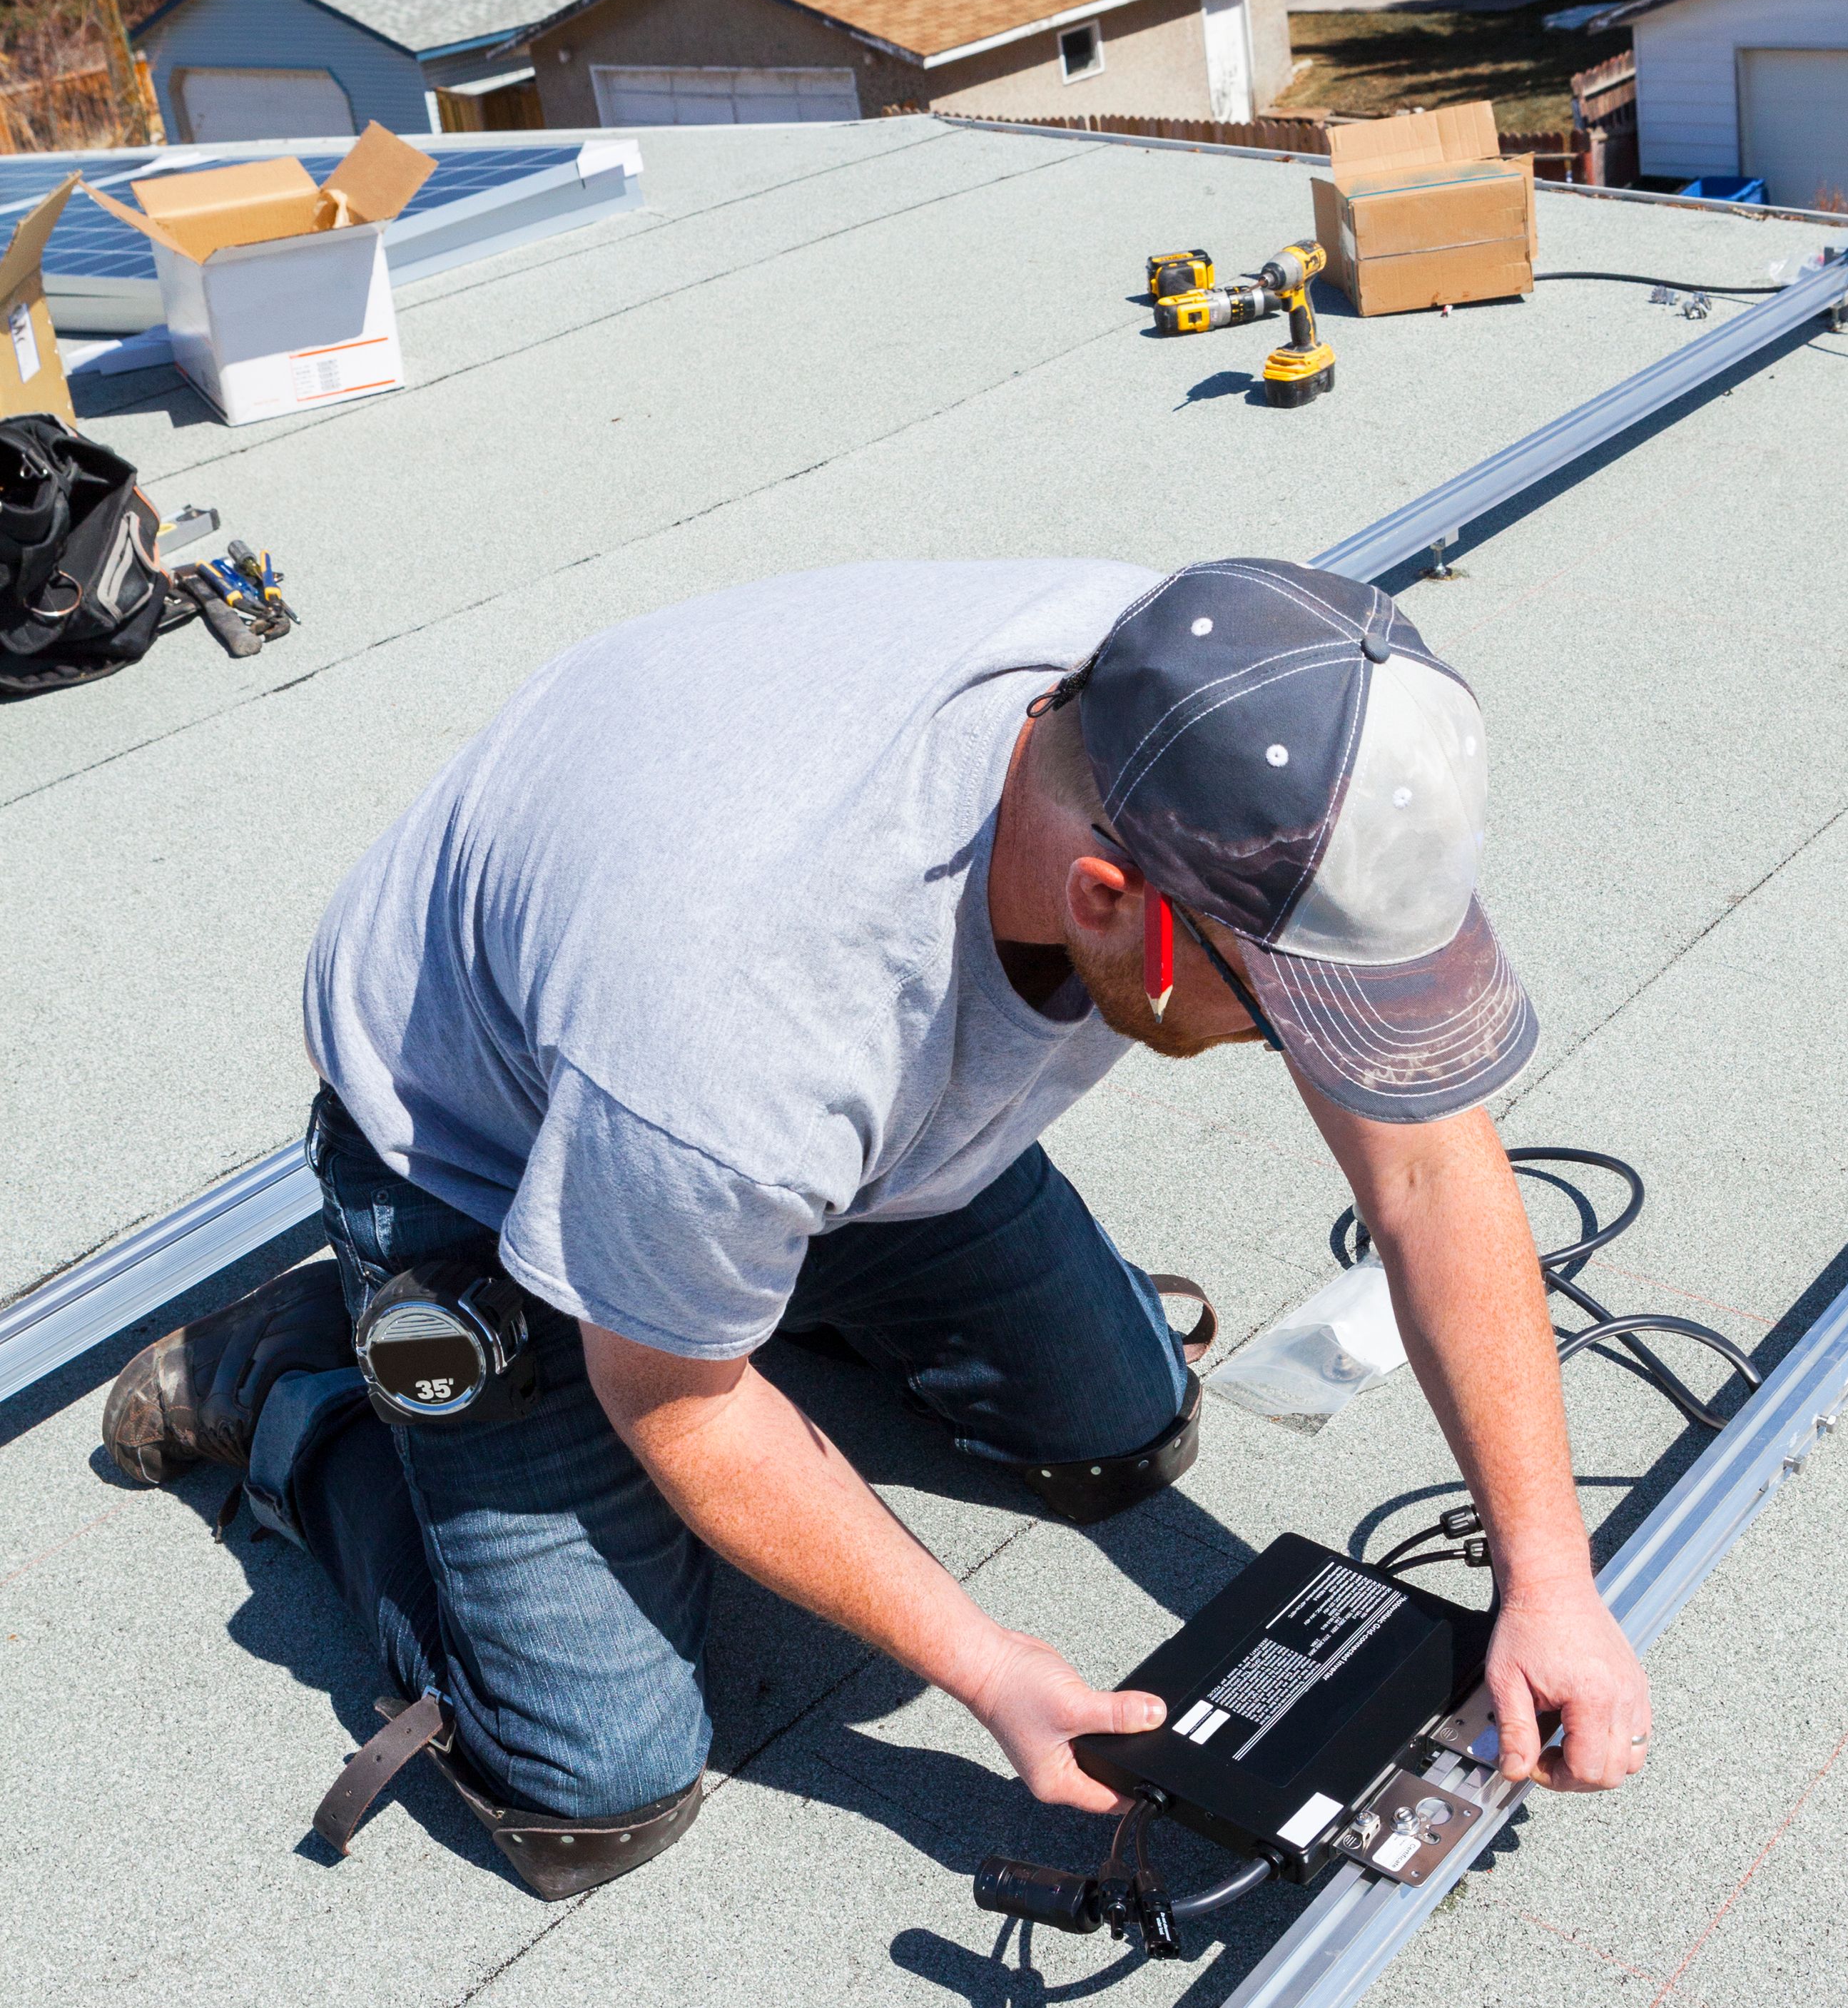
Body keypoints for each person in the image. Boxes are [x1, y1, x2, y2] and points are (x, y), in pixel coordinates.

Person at [106, 556, 1650, 1895]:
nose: (1308, 1059)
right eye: (1280, 1019)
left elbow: (1431, 1170)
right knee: (593, 1784)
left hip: (817, 1142)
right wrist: (992, 1675)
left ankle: (756, 1263)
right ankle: (296, 1377)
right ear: (1113, 903)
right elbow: (684, 1406)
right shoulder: (744, 1024)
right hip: (489, 1168)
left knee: (1124, 1431)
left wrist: (1551, 1577)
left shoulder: (1234, 691)